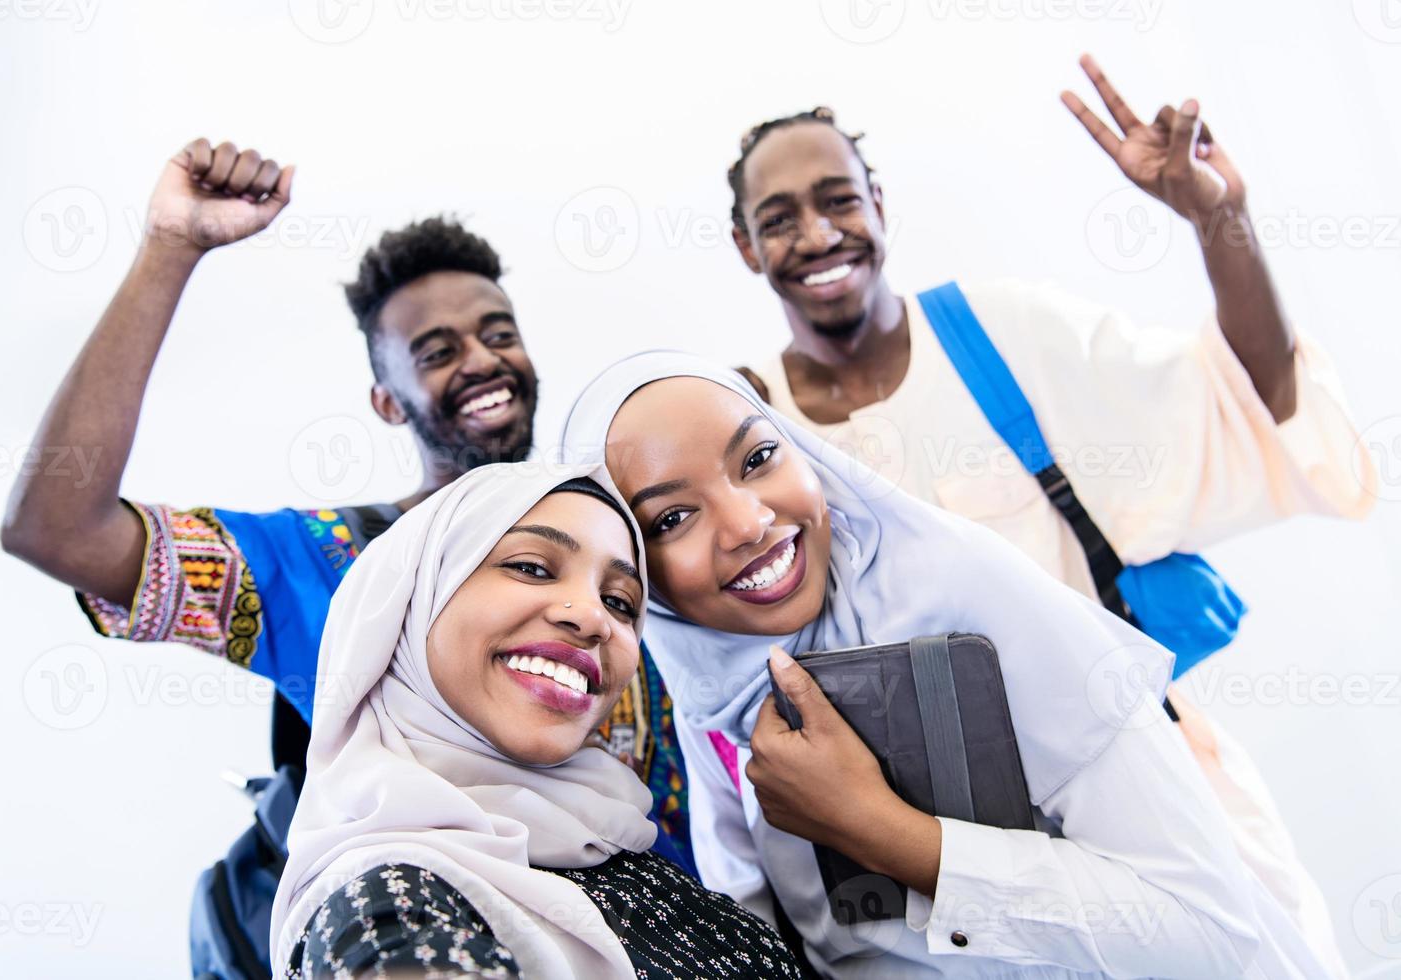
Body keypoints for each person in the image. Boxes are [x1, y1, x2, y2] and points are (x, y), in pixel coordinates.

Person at [725, 61, 1371, 967]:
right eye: (779, 219)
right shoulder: (747, 427)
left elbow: (1254, 402)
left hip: (1154, 808)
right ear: (746, 247)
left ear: (879, 202)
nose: (819, 233)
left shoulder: (998, 334)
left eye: (838, 198)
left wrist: (1217, 215)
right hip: (927, 875)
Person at [0, 138, 693, 970]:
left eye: (497, 332)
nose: (480, 360)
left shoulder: (625, 577)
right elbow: (58, 528)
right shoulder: (330, 565)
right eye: (436, 352)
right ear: (385, 401)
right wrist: (171, 247)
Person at [558, 350, 1340, 978]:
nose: (749, 522)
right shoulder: (712, 686)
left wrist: (885, 832)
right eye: (672, 517)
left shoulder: (960, 593)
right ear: (635, 571)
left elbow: (1207, 933)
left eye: (759, 457)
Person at [270, 462, 804, 979]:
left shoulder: (614, 836)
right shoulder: (383, 905)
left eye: (619, 602)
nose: (593, 616)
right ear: (414, 601)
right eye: (531, 567)